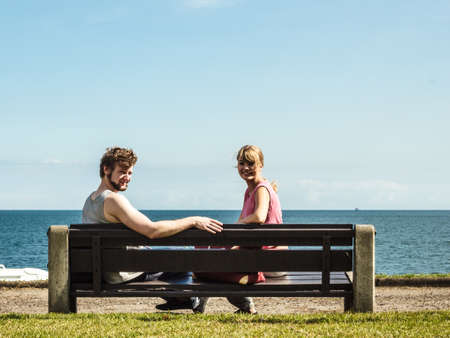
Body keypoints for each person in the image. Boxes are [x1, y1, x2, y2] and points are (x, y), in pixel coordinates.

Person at [82, 146, 223, 311]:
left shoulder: (90, 200)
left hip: (106, 270)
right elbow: (152, 230)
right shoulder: (113, 200)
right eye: (122, 172)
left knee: (166, 254)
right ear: (106, 169)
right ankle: (187, 297)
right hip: (123, 273)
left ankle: (181, 297)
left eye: (130, 173)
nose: (127, 178)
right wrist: (193, 220)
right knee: (185, 253)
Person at [194, 145, 284, 314]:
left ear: (261, 165)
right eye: (242, 163)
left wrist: (238, 224)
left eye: (251, 163)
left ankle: (241, 298)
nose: (246, 168)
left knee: (205, 267)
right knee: (208, 258)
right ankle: (238, 302)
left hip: (268, 260)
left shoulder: (261, 189)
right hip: (259, 255)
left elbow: (259, 217)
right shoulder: (249, 191)